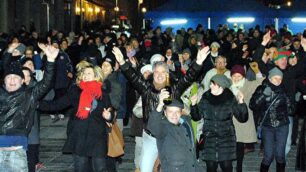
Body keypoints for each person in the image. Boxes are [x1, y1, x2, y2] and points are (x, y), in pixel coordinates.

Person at [112, 46, 210, 172]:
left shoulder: (174, 89)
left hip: (171, 135)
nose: (159, 75)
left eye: (163, 72)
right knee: (145, 168)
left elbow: (188, 78)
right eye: (157, 72)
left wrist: (198, 62)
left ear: (167, 74)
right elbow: (133, 77)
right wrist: (122, 62)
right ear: (153, 74)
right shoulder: (146, 88)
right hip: (151, 136)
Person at [39, 62, 113, 172]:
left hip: (97, 137)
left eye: (89, 73)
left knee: (100, 167)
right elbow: (57, 104)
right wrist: (36, 104)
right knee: (81, 168)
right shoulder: (75, 91)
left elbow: (110, 110)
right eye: (84, 73)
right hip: (80, 136)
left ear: (96, 76)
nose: (85, 75)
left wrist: (109, 116)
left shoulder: (103, 93)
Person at [0, 43, 58, 171]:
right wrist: (8, 52)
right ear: (4, 81)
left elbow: (45, 83)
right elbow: (4, 68)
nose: (12, 80)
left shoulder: (29, 95)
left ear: (23, 81)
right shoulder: (1, 94)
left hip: (17, 152)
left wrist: (50, 60)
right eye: (9, 78)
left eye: (16, 78)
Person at [190, 74, 248, 172]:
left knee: (226, 166)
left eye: (213, 84)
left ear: (221, 86)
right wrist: (194, 104)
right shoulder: (206, 98)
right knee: (211, 167)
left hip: (226, 138)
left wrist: (241, 102)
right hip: (209, 137)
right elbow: (196, 117)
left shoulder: (230, 98)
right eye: (211, 84)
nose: (210, 86)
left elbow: (243, 118)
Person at [250, 67, 294, 172]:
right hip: (267, 126)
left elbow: (292, 111)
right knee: (268, 156)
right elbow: (252, 105)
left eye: (280, 78)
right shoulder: (261, 88)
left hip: (282, 125)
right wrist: (263, 95)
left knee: (280, 155)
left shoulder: (284, 90)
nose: (278, 81)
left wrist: (288, 100)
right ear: (270, 78)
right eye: (275, 78)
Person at [147, 96, 204, 172]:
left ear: (181, 113)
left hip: (192, 167)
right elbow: (153, 126)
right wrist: (160, 105)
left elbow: (196, 117)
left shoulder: (186, 122)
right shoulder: (163, 126)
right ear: (165, 113)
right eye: (170, 111)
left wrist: (193, 105)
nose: (174, 115)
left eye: (177, 111)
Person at [229, 64, 264, 172]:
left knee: (240, 144)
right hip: (230, 119)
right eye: (234, 76)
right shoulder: (228, 86)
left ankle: (239, 166)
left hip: (243, 119)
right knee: (230, 144)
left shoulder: (248, 85)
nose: (236, 78)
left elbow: (261, 81)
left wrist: (257, 71)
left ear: (243, 76)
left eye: (239, 76)